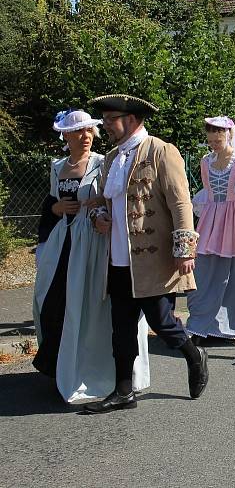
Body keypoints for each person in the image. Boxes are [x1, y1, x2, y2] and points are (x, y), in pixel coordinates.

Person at [85, 94, 207, 414]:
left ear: (134, 119)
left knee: (163, 323)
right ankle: (124, 390)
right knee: (121, 327)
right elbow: (100, 201)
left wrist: (184, 249)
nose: (107, 125)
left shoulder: (161, 151)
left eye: (113, 118)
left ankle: (195, 357)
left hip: (155, 258)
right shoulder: (111, 158)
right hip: (118, 258)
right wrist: (98, 218)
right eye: (107, 119)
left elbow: (181, 203)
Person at [32, 110, 149, 403]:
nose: (85, 136)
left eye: (88, 131)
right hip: (64, 243)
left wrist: (99, 216)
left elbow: (110, 199)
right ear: (66, 136)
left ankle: (95, 369)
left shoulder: (103, 162)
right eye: (78, 132)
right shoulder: (57, 166)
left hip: (93, 244)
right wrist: (55, 209)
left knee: (90, 306)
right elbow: (52, 202)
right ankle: (58, 366)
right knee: (53, 302)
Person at [186, 116, 235, 344]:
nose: (214, 143)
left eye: (218, 138)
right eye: (211, 139)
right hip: (210, 219)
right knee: (205, 272)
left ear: (229, 134)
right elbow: (206, 192)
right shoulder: (206, 161)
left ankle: (231, 327)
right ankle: (200, 324)